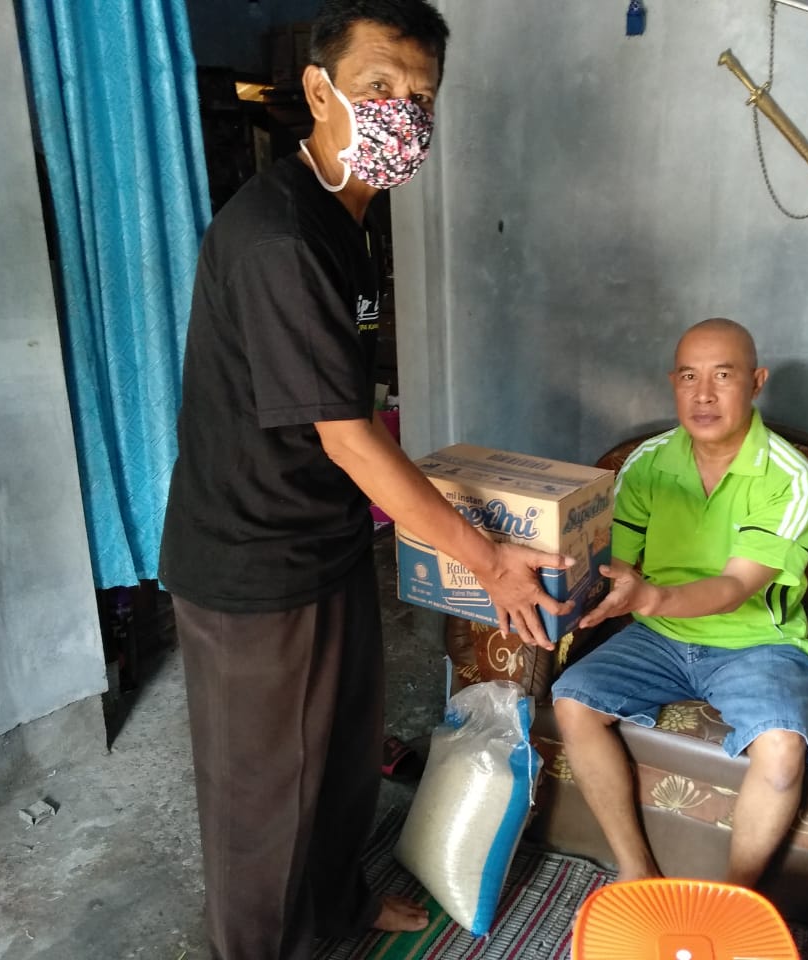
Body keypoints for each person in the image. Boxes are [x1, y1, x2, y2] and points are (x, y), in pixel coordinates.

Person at [158, 2, 571, 957]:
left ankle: (337, 908)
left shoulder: (345, 216)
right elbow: (348, 438)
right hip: (256, 562)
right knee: (266, 802)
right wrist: (488, 560)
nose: (402, 113)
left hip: (327, 536)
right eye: (378, 86)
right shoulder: (282, 237)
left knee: (341, 757)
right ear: (318, 90)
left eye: (420, 97)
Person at [551, 318, 808, 887]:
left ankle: (735, 898)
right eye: (689, 377)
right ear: (673, 383)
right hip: (661, 637)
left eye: (723, 376)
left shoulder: (789, 476)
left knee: (782, 749)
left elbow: (735, 588)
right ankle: (636, 871)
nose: (703, 395)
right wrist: (562, 583)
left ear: (756, 382)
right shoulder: (647, 463)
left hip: (757, 643)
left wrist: (651, 596)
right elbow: (613, 561)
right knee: (573, 701)